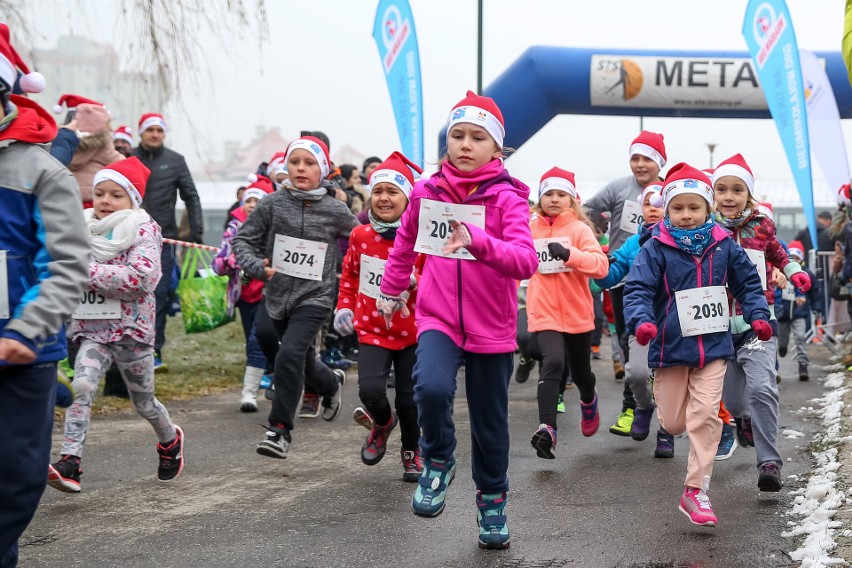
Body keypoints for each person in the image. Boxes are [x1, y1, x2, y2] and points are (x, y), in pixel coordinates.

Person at [376, 91, 538, 549]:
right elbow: (405, 241)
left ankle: (492, 502)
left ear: (497, 148)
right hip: (438, 316)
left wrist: (478, 241)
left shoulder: (507, 199)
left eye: (478, 137)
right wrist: (391, 288)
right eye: (458, 135)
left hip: (493, 326)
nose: (465, 144)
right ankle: (438, 460)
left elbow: (525, 261)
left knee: (490, 424)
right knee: (428, 387)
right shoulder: (427, 192)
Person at [624, 163, 771, 527]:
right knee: (674, 424)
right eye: (678, 208)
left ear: (708, 208)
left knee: (705, 416)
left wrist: (757, 315)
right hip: (670, 346)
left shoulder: (723, 245)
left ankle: (696, 491)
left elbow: (749, 283)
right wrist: (642, 322)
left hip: (713, 347)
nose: (686, 215)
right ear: (668, 210)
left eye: (694, 207)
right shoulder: (656, 247)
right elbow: (638, 288)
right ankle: (675, 425)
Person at [0, 25, 90, 565]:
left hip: (22, 353)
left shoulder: (42, 171)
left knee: (16, 475)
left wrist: (23, 333)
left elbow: (64, 264)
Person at [47, 157, 185, 494]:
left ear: (133, 200)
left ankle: (170, 440)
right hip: (92, 330)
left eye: (115, 195)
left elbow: (141, 278)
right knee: (82, 386)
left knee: (144, 403)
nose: (105, 201)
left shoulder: (143, 229)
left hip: (131, 332)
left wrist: (85, 273)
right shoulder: (80, 228)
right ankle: (70, 462)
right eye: (100, 193)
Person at [232, 136, 357, 459]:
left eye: (309, 163)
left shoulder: (335, 210)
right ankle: (329, 384)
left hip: (314, 298)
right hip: (274, 295)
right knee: (270, 341)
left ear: (323, 170)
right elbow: (243, 241)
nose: (301, 168)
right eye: (295, 162)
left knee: (290, 354)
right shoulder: (272, 204)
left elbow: (362, 241)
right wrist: (256, 267)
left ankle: (280, 430)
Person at [711, 153, 811, 492]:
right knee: (737, 401)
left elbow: (778, 251)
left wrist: (793, 271)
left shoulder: (761, 225)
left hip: (758, 320)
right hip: (718, 324)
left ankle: (769, 462)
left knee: (763, 389)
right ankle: (744, 419)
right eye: (721, 189)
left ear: (747, 194)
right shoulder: (703, 229)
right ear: (713, 194)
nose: (728, 196)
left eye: (737, 189)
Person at [334, 151, 424, 481]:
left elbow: (438, 279)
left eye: (393, 192)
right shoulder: (360, 236)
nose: (384, 198)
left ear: (408, 198)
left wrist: (416, 280)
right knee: (370, 390)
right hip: (372, 328)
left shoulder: (422, 238)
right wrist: (343, 306)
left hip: (413, 331)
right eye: (378, 191)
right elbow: (350, 278)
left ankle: (412, 452)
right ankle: (383, 424)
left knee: (409, 400)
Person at [585, 130, 667, 436]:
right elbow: (587, 209)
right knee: (628, 343)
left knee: (662, 348)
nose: (640, 164)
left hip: (664, 283)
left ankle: (659, 413)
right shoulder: (619, 187)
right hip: (625, 274)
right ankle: (631, 409)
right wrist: (595, 233)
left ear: (660, 163)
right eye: (635, 158)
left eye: (647, 158)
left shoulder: (669, 190)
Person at [527, 167, 608, 459]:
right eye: (548, 193)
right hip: (543, 311)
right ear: (540, 198)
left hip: (577, 314)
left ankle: (589, 400)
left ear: (572, 199)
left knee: (582, 372)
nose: (554, 199)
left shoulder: (579, 229)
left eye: (561, 194)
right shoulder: (529, 228)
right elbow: (515, 263)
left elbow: (601, 267)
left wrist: (570, 255)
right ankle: (547, 428)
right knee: (553, 361)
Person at [595, 183, 665, 446]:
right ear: (640, 209)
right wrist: (599, 268)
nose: (654, 210)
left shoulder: (679, 239)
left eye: (659, 205)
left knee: (667, 378)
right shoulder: (633, 243)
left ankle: (666, 433)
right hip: (642, 319)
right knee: (636, 373)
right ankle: (644, 407)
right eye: (648, 204)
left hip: (671, 321)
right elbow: (612, 274)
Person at [132, 112, 203, 371]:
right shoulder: (128, 157)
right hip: (130, 236)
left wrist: (197, 232)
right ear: (141, 132)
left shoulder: (175, 161)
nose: (155, 134)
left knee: (159, 294)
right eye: (150, 130)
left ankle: (154, 350)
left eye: (159, 131)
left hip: (163, 238)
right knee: (130, 292)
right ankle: (128, 348)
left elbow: (191, 196)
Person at [213, 175, 273, 412]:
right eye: (249, 201)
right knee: (253, 340)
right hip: (243, 295)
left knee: (257, 339)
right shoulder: (233, 229)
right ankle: (268, 374)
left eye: (258, 202)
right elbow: (217, 264)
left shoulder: (273, 229)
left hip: (268, 293)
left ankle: (249, 393)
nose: (252, 206)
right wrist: (232, 261)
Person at [53, 95, 125, 209]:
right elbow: (124, 165)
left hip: (66, 198)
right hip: (93, 201)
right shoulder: (103, 146)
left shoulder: (61, 142)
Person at [776, 240, 824, 381]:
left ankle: (803, 365)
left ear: (802, 259)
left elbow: (815, 292)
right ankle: (782, 347)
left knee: (800, 338)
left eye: (797, 257)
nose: (794, 260)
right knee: (782, 340)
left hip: (799, 313)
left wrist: (816, 308)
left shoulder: (806, 273)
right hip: (783, 314)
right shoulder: (780, 272)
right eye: (791, 257)